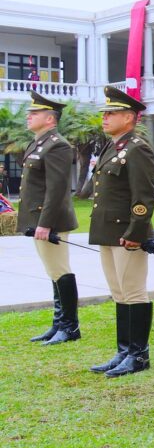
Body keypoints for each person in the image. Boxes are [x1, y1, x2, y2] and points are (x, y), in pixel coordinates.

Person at [88, 86, 154, 378]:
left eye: (111, 113)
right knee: (118, 292)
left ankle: (138, 355)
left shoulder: (137, 148)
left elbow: (143, 197)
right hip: (107, 232)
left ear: (129, 117)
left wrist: (136, 232)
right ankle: (124, 351)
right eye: (104, 113)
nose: (105, 117)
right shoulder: (112, 146)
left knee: (133, 291)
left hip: (127, 233)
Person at [19, 92, 82, 345]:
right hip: (38, 219)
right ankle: (58, 324)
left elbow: (57, 189)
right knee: (52, 271)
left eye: (34, 113)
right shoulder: (38, 143)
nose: (29, 116)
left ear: (50, 119)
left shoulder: (57, 145)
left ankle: (70, 326)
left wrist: (45, 223)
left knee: (60, 270)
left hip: (50, 220)